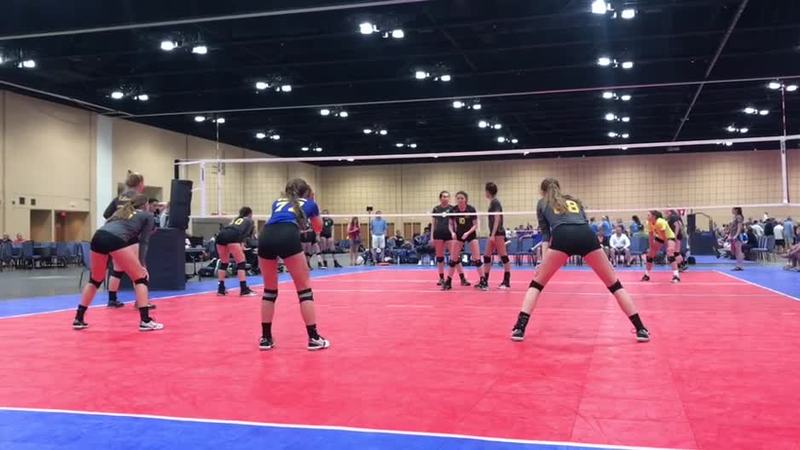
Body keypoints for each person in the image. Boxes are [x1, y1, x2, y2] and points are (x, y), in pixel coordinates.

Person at [510, 178, 649, 342]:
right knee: (615, 284)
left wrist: (542, 261)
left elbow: (546, 235)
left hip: (562, 236)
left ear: (542, 191)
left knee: (536, 285)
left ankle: (519, 328)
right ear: (559, 188)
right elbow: (583, 223)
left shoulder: (543, 202)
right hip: (586, 235)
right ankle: (641, 328)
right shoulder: (574, 201)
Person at [257, 179, 329, 351]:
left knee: (269, 291)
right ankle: (313, 338)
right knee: (304, 290)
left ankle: (265, 338)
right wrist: (313, 208)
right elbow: (318, 227)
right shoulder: (310, 203)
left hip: (265, 235)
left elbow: (281, 218)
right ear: (307, 191)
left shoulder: (277, 202)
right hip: (288, 235)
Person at [72, 194, 162, 332]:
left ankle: (78, 318)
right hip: (115, 239)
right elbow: (144, 241)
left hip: (98, 236)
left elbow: (110, 227)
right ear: (146, 205)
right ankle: (145, 320)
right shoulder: (147, 215)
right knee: (140, 278)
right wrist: (142, 264)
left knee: (95, 280)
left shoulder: (120, 212)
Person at [102, 171, 152, 309]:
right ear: (140, 184)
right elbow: (145, 218)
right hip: (130, 236)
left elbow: (106, 214)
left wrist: (118, 217)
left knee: (117, 269)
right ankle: (141, 302)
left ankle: (112, 300)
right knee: (139, 270)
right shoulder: (141, 198)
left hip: (115, 236)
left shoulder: (118, 198)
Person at [441, 191, 483, 291]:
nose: (460, 200)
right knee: (453, 259)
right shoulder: (453, 210)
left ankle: (483, 281)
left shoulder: (471, 209)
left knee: (477, 258)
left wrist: (467, 233)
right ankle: (448, 282)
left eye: (462, 198)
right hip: (459, 235)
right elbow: (450, 224)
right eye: (458, 198)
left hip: (470, 234)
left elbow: (475, 225)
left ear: (466, 199)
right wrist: (452, 232)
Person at [215, 207, 257, 297]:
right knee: (241, 262)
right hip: (233, 236)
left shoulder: (235, 219)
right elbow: (245, 235)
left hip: (221, 235)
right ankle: (244, 289)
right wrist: (242, 245)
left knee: (224, 262)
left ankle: (220, 289)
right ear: (250, 214)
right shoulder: (249, 221)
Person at [431, 191, 466, 286]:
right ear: (440, 198)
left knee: (455, 257)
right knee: (440, 258)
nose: (445, 198)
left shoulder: (452, 209)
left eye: (447, 196)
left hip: (450, 235)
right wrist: (432, 237)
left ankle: (462, 278)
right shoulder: (436, 209)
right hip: (438, 234)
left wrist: (456, 234)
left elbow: (455, 223)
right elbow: (433, 224)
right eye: (443, 196)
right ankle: (441, 278)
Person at [482, 182, 511, 290]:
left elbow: (497, 218)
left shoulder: (495, 202)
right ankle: (485, 281)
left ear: (488, 191)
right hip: (494, 233)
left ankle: (506, 281)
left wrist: (493, 234)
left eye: (485, 191)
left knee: (503, 256)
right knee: (486, 256)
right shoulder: (492, 202)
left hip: (498, 233)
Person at [642, 210, 681, 283]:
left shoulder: (660, 222)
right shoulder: (649, 222)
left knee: (670, 253)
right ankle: (646, 275)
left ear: (654, 216)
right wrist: (651, 247)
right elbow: (651, 236)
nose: (647, 217)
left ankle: (676, 276)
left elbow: (664, 235)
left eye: (648, 215)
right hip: (660, 237)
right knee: (650, 255)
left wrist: (668, 246)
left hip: (669, 237)